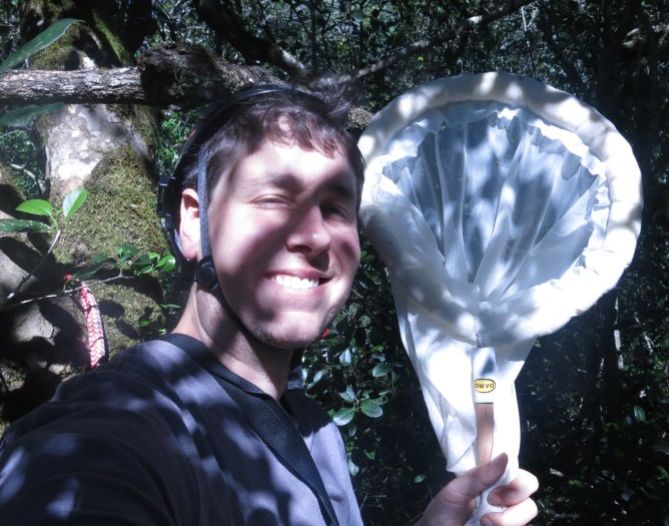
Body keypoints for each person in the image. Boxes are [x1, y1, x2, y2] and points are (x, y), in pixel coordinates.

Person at [0, 86, 538, 525]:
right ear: (194, 220)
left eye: (334, 208)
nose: (315, 236)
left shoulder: (316, 429)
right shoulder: (117, 432)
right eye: (274, 199)